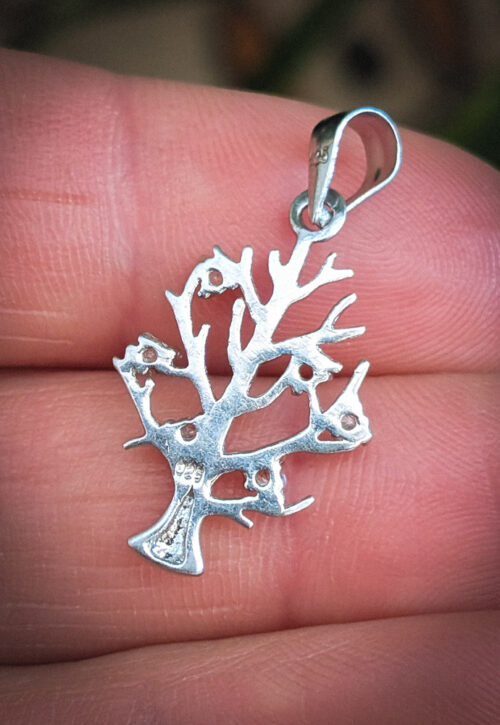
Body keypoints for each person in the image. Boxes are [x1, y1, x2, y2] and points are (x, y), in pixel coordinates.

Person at [0, 48, 498, 724]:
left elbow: (267, 399)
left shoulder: (290, 362)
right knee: (223, 387)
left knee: (239, 395)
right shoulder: (232, 318)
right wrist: (153, 378)